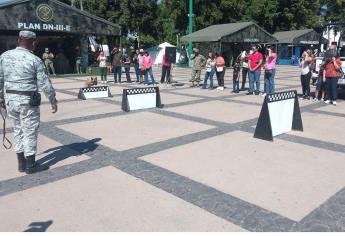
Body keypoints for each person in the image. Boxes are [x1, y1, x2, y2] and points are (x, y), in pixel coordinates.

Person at [0, 31, 58, 174]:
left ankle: (21, 163)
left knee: (18, 129)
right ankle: (30, 165)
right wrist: (52, 100)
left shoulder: (4, 56)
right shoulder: (34, 59)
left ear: (19, 40)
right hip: (27, 101)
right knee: (30, 131)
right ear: (33, 42)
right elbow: (45, 83)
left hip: (10, 101)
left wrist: (1, 98)